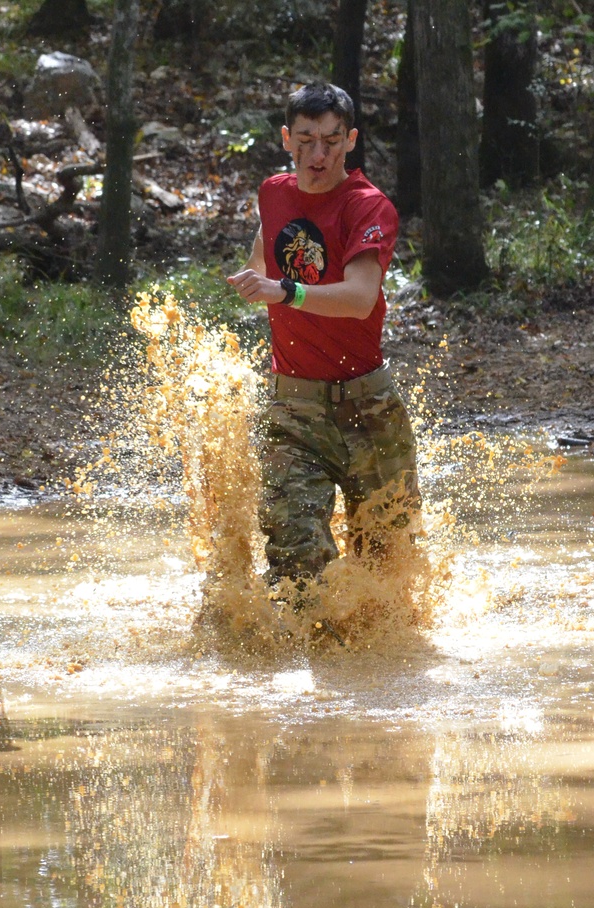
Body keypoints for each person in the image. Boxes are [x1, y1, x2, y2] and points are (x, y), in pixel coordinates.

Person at [227, 81, 420, 587]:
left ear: (350, 140)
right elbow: (262, 259)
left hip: (368, 409)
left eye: (332, 141)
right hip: (293, 407)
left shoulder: (367, 206)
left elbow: (359, 299)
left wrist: (284, 291)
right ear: (287, 138)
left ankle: (375, 666)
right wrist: (253, 281)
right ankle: (295, 659)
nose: (318, 154)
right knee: (295, 558)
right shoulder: (273, 193)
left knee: (385, 570)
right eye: (307, 139)